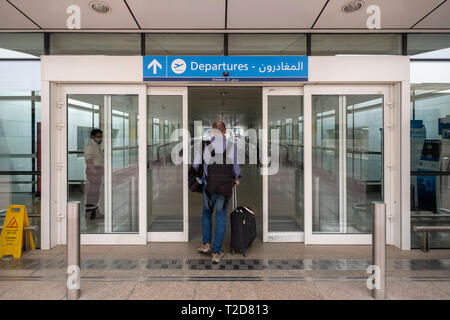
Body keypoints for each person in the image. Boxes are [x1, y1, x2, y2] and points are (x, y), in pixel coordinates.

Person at [193, 121, 241, 264]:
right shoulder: (232, 146)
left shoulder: (205, 145)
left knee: (207, 214)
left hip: (208, 187)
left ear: (212, 132)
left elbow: (195, 166)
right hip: (224, 188)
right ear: (225, 132)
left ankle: (206, 244)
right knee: (220, 217)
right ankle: (216, 252)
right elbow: (236, 168)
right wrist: (237, 179)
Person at [84, 128, 104, 220]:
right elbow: (89, 161)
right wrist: (95, 173)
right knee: (93, 192)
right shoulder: (90, 146)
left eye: (101, 137)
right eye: (98, 137)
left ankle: (94, 212)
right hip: (93, 171)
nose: (100, 138)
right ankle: (90, 212)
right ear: (92, 136)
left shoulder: (96, 146)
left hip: (97, 170)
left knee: (95, 192)